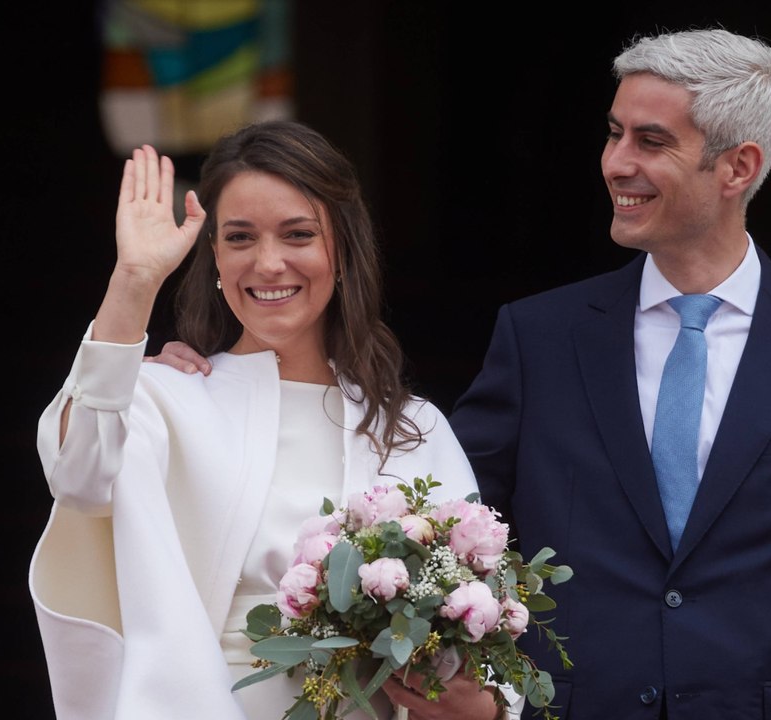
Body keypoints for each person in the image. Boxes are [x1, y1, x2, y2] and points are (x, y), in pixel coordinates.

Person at [446, 28, 771, 719]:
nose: (615, 163)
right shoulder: (537, 338)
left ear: (738, 167)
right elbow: (447, 525)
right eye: (614, 133)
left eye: (651, 142)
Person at [28, 121, 502, 719]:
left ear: (343, 248)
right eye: (241, 237)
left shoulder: (414, 426)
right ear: (216, 256)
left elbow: (483, 649)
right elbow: (75, 473)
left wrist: (478, 703)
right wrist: (135, 281)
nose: (269, 262)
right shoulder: (163, 394)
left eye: (298, 234)